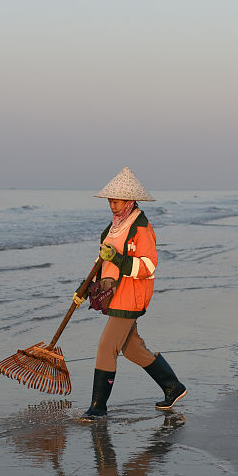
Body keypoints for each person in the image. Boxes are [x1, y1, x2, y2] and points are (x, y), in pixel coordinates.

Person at [73, 167, 187, 420]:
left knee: (106, 347)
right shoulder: (113, 228)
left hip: (133, 295)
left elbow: (148, 266)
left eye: (117, 201)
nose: (112, 205)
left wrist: (118, 258)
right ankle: (173, 387)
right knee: (132, 349)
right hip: (116, 294)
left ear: (130, 201)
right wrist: (83, 289)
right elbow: (101, 263)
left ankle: (98, 407)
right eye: (110, 201)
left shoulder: (141, 227)